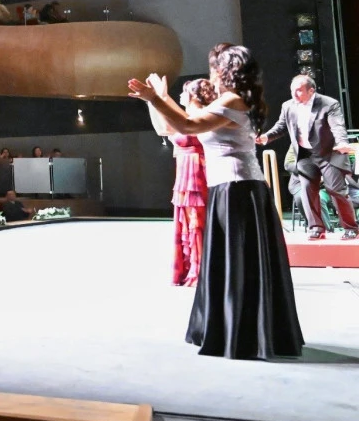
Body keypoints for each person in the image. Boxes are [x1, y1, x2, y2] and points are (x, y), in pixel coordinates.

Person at [128, 44, 303, 360]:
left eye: (213, 70)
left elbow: (189, 126)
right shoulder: (230, 102)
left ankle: (241, 334)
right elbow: (176, 125)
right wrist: (160, 98)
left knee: (236, 263)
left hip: (239, 189)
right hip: (231, 189)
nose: (210, 76)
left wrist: (155, 97)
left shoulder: (232, 101)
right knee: (231, 263)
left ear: (226, 73)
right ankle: (233, 330)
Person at [256, 75, 358, 240]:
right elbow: (281, 126)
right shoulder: (288, 106)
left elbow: (337, 125)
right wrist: (266, 137)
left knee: (336, 190)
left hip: (329, 154)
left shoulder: (328, 104)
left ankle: (351, 228)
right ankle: (317, 228)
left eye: (299, 91)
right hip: (305, 155)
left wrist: (342, 142)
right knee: (307, 191)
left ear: (311, 91)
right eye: (292, 90)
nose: (294, 94)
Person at [146, 79, 214, 286]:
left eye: (184, 92)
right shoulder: (186, 116)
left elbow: (178, 122)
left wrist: (160, 98)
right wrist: (153, 99)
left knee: (197, 221)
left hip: (197, 172)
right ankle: (190, 267)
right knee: (187, 220)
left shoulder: (201, 117)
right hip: (185, 172)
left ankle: (202, 269)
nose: (181, 96)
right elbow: (162, 128)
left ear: (193, 95)